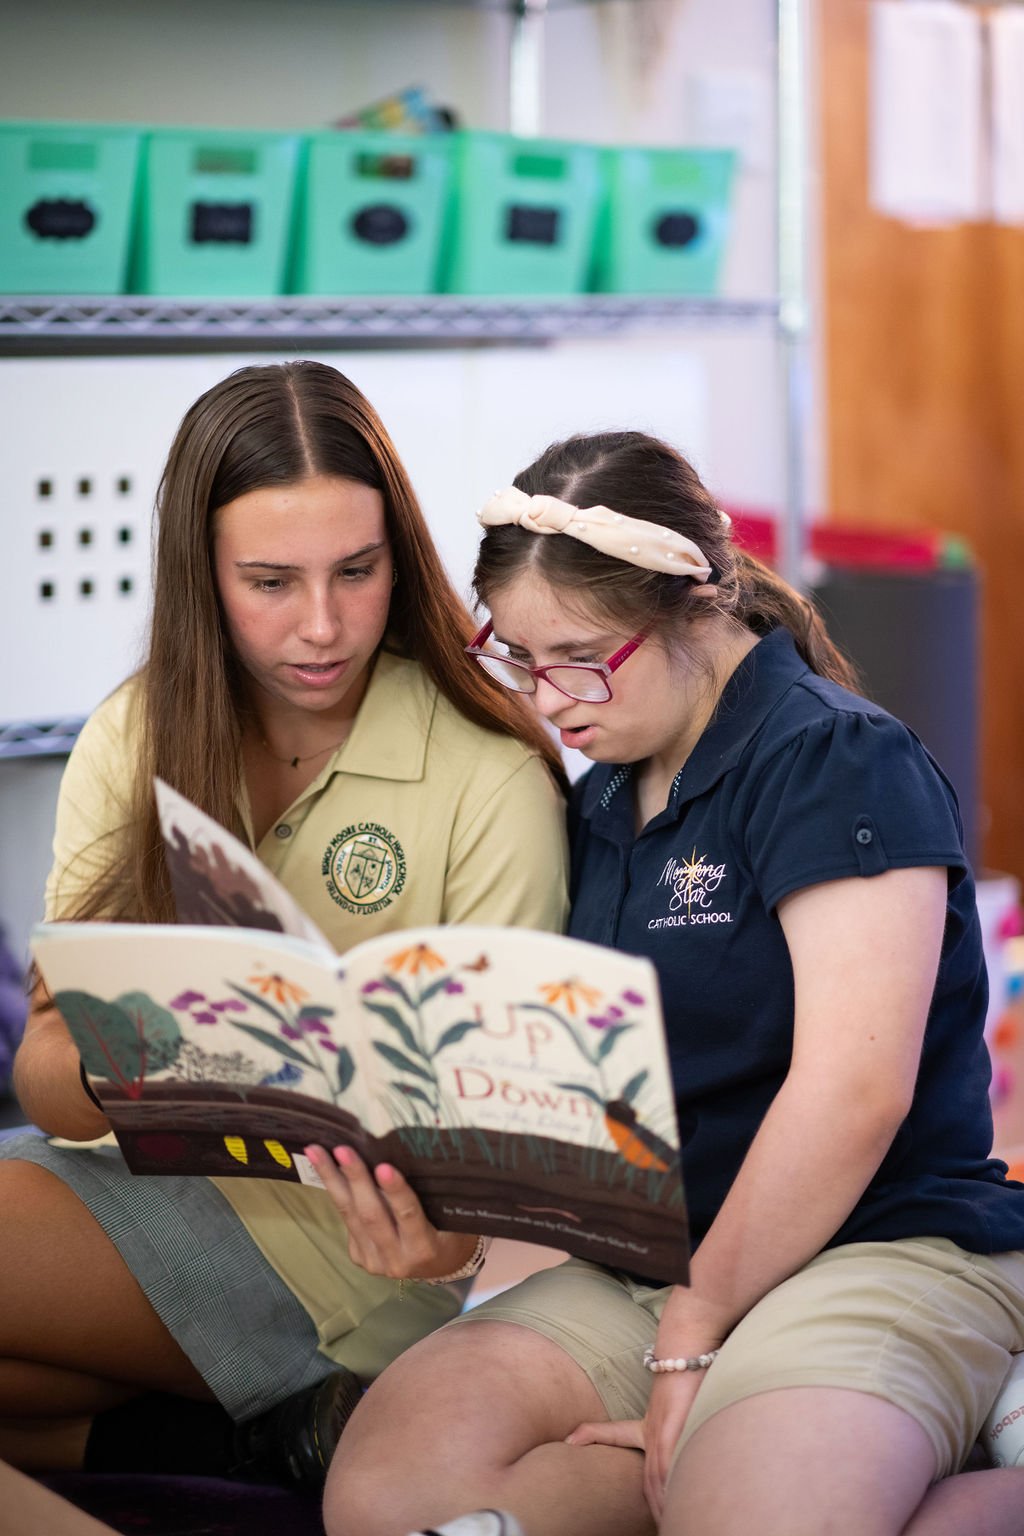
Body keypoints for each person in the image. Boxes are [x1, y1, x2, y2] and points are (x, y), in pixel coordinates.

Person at [316, 429, 1024, 1536]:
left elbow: (855, 1092)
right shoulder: (608, 793)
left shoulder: (833, 758)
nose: (551, 699)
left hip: (872, 1243)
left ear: (698, 606)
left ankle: (913, 1442)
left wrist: (695, 1331)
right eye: (522, 655)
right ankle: (783, 1467)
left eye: (583, 656)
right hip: (645, 1264)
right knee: (386, 1498)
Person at [0, 361, 568, 1491]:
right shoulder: (137, 730)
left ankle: (272, 1423)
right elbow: (47, 1075)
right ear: (200, 577)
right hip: (133, 1172)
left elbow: (512, 1141)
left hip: (354, 1248)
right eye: (269, 582)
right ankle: (256, 1438)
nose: (322, 627)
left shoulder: (488, 772)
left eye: (355, 573)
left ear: (397, 560)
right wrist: (163, 1060)